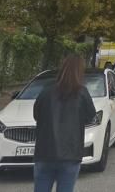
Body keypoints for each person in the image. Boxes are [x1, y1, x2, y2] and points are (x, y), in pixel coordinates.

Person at [33, 55, 96, 192]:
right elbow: (91, 116)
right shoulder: (81, 92)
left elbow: (36, 114)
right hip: (70, 153)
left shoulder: (46, 91)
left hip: (45, 152)